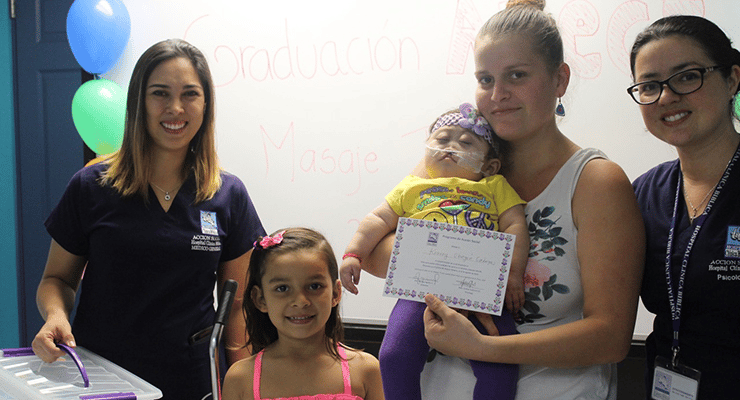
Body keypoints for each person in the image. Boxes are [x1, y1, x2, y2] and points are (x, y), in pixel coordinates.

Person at [362, 1, 645, 398]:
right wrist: (475, 263)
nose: (498, 95)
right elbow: (374, 252)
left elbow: (610, 337)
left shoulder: (596, 181)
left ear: (559, 79)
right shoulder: (456, 162)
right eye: (485, 78)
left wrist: (484, 347)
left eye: (517, 75)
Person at [32, 39, 266, 400]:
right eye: (160, 93)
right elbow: (57, 279)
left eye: (190, 94)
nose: (175, 108)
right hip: (102, 377)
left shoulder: (227, 194)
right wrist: (55, 315)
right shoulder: (91, 186)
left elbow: (236, 306)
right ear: (139, 101)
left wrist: (240, 384)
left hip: (192, 379)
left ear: (206, 104)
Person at [340, 103, 527, 400]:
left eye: (466, 143)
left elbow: (515, 223)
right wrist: (353, 254)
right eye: (441, 140)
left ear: (489, 166)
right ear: (426, 153)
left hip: (481, 291)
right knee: (393, 357)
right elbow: (377, 219)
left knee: (502, 364)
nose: (451, 147)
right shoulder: (412, 187)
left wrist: (513, 273)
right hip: (419, 291)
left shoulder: (494, 185)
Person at [628, 15, 740, 399]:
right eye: (649, 85)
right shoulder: (643, 194)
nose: (666, 96)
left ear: (733, 80)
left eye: (687, 76)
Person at [222, 228, 383, 400]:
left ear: (335, 293)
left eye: (314, 286)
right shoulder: (240, 379)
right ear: (260, 299)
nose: (301, 301)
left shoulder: (366, 370)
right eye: (282, 288)